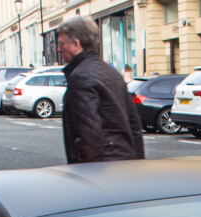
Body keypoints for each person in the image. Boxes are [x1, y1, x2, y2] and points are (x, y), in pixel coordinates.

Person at [57, 15, 145, 164]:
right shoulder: (111, 72)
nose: (59, 49)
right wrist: (138, 164)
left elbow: (88, 135)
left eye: (61, 44)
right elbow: (134, 125)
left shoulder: (80, 77)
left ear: (76, 44)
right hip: (125, 162)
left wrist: (86, 173)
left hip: (101, 168)